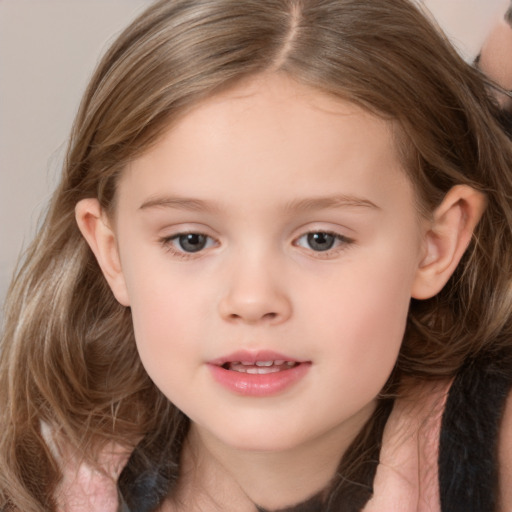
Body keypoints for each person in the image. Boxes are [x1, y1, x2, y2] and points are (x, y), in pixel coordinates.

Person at [1, 0, 512, 511]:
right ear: (112, 254)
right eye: (191, 240)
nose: (252, 300)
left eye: (321, 239)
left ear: (434, 245)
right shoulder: (36, 483)